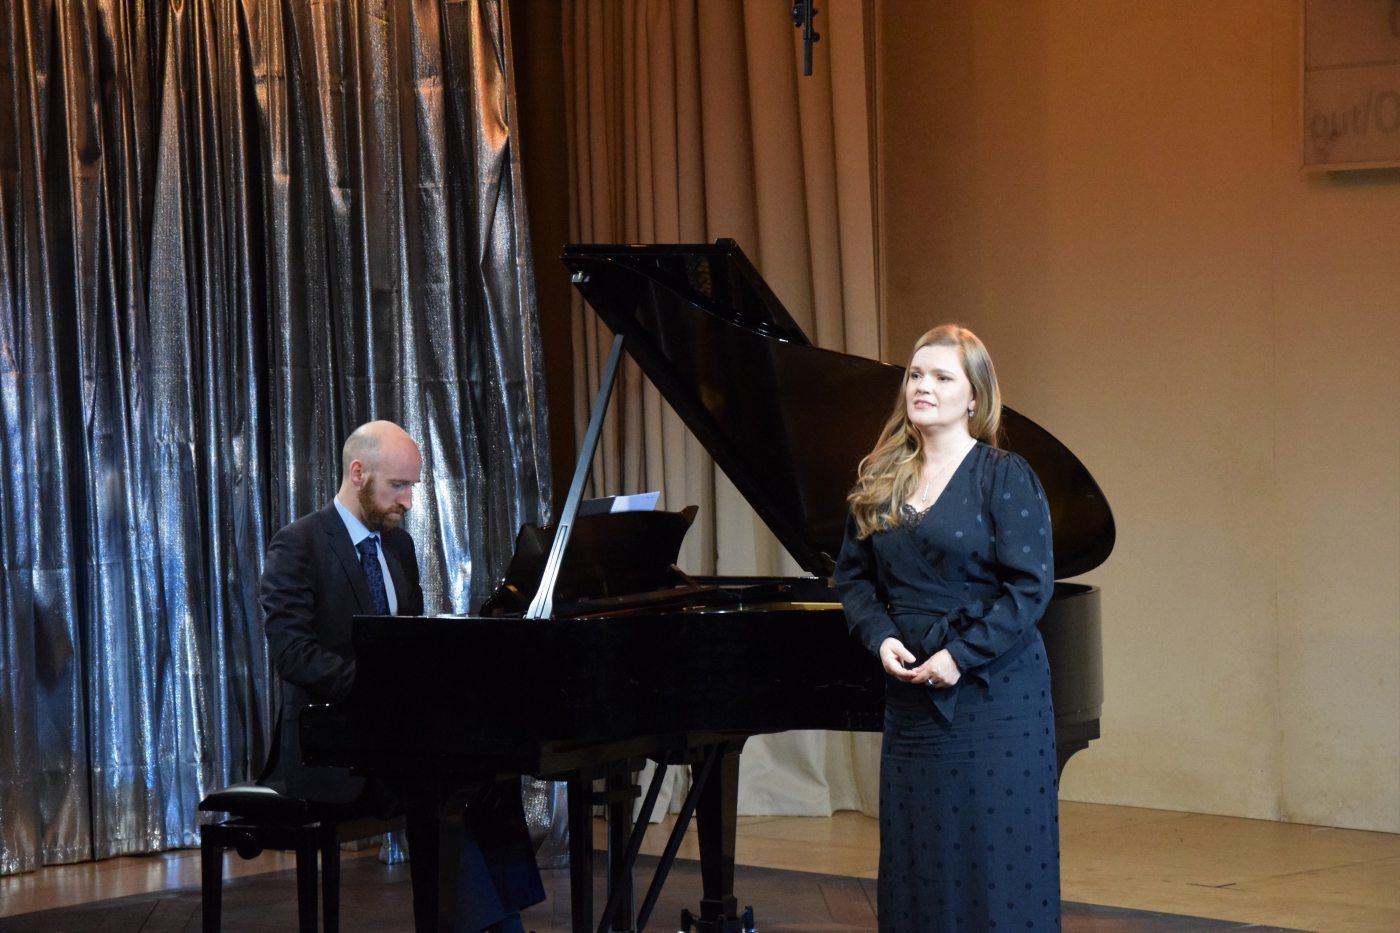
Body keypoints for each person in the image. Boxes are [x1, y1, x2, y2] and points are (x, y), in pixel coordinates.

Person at [261, 420, 544, 933]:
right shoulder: (298, 544)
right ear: (357, 472)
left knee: (492, 767)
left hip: (394, 738)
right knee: (442, 778)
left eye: (413, 486)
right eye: (399, 485)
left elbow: (408, 648)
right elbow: (294, 655)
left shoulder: (398, 549)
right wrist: (380, 696)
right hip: (330, 748)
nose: (409, 500)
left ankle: (501, 925)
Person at [833, 326, 1059, 932]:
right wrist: (880, 637)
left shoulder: (1004, 475)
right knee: (918, 857)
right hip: (911, 699)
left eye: (941, 377)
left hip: (993, 695)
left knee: (995, 857)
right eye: (914, 375)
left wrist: (960, 656)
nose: (923, 387)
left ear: (974, 399)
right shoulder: (880, 478)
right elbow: (852, 580)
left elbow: (1031, 586)